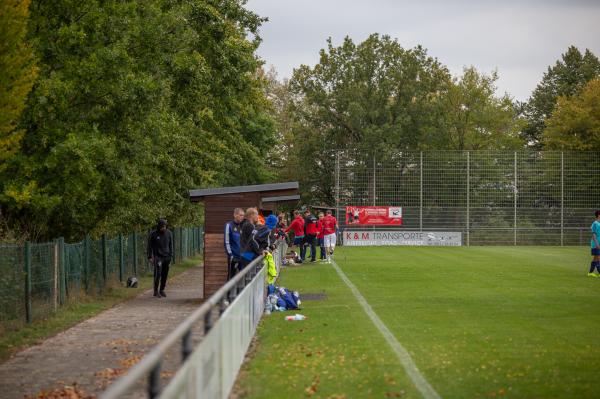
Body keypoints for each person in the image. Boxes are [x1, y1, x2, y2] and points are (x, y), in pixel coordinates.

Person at [147, 218, 173, 298]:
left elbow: (171, 245)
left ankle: (162, 290)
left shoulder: (169, 233)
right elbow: (149, 246)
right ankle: (155, 291)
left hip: (167, 257)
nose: (163, 228)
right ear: (159, 226)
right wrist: (150, 256)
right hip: (158, 257)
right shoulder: (153, 234)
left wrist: (171, 256)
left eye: (165, 226)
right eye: (162, 226)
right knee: (158, 274)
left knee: (165, 274)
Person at [224, 208, 244, 280]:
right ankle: (229, 291)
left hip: (242, 256)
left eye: (243, 215)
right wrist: (231, 255)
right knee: (231, 277)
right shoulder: (229, 225)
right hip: (233, 257)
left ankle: (240, 291)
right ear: (235, 215)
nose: (242, 217)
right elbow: (226, 242)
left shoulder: (244, 226)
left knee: (244, 276)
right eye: (240, 215)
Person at [589, 210, 600, 277]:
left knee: (595, 258)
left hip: (598, 243)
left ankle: (590, 273)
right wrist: (596, 244)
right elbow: (594, 234)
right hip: (596, 244)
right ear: (599, 215)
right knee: (598, 257)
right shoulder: (595, 224)